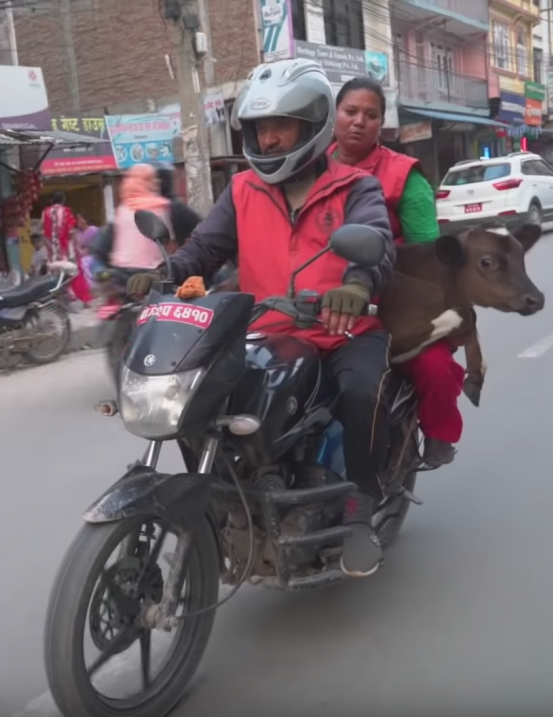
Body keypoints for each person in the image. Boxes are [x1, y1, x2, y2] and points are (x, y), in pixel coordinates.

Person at [126, 59, 395, 578]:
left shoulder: (356, 188)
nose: (268, 139)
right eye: (259, 128)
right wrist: (166, 271)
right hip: (267, 331)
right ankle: (224, 494)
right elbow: (206, 246)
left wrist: (356, 287)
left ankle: (362, 504)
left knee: (364, 390)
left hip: (339, 331)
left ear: (312, 126)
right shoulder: (245, 189)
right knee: (196, 393)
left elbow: (376, 245)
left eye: (281, 127)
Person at [330, 76, 461, 468]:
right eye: (350, 111)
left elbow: (429, 258)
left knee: (435, 368)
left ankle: (437, 433)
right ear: (333, 116)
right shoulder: (310, 168)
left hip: (393, 304)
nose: (358, 121)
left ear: (381, 124)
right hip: (318, 299)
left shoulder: (405, 176)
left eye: (370, 115)